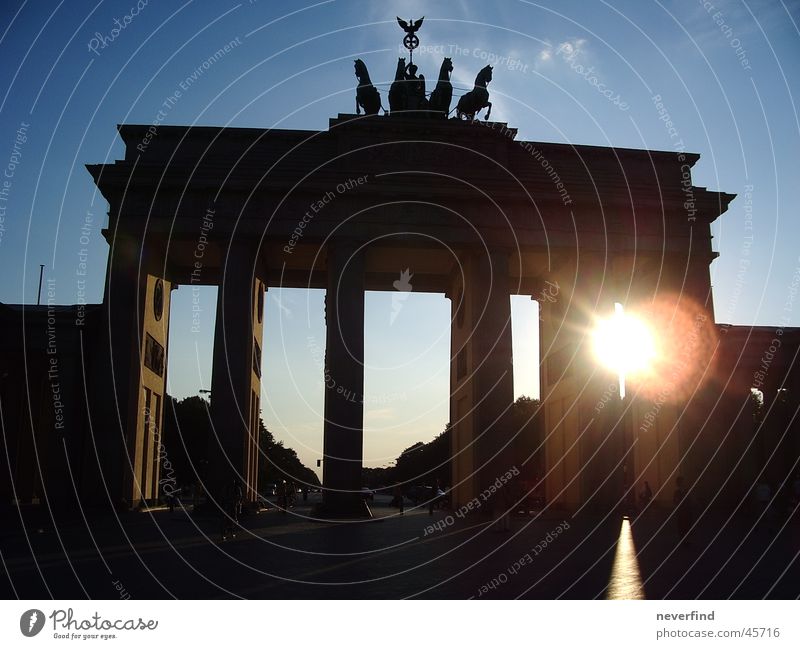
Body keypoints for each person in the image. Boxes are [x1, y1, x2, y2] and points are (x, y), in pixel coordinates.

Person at [673, 476, 693, 544]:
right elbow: (676, 501)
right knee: (682, 526)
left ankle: (685, 539)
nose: (685, 482)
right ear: (680, 482)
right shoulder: (677, 492)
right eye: (683, 481)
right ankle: (683, 540)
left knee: (686, 525)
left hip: (687, 511)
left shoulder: (685, 490)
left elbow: (689, 499)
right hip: (681, 512)